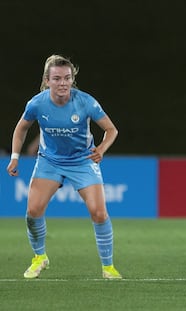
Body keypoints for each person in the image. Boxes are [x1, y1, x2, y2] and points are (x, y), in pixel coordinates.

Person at [6, 55, 122, 279]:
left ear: (72, 80)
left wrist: (102, 148)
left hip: (82, 161)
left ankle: (108, 267)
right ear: (47, 80)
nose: (63, 83)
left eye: (67, 78)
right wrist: (14, 156)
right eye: (57, 78)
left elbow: (112, 130)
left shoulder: (86, 102)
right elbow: (21, 128)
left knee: (99, 213)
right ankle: (40, 257)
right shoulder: (37, 103)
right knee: (33, 211)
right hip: (50, 161)